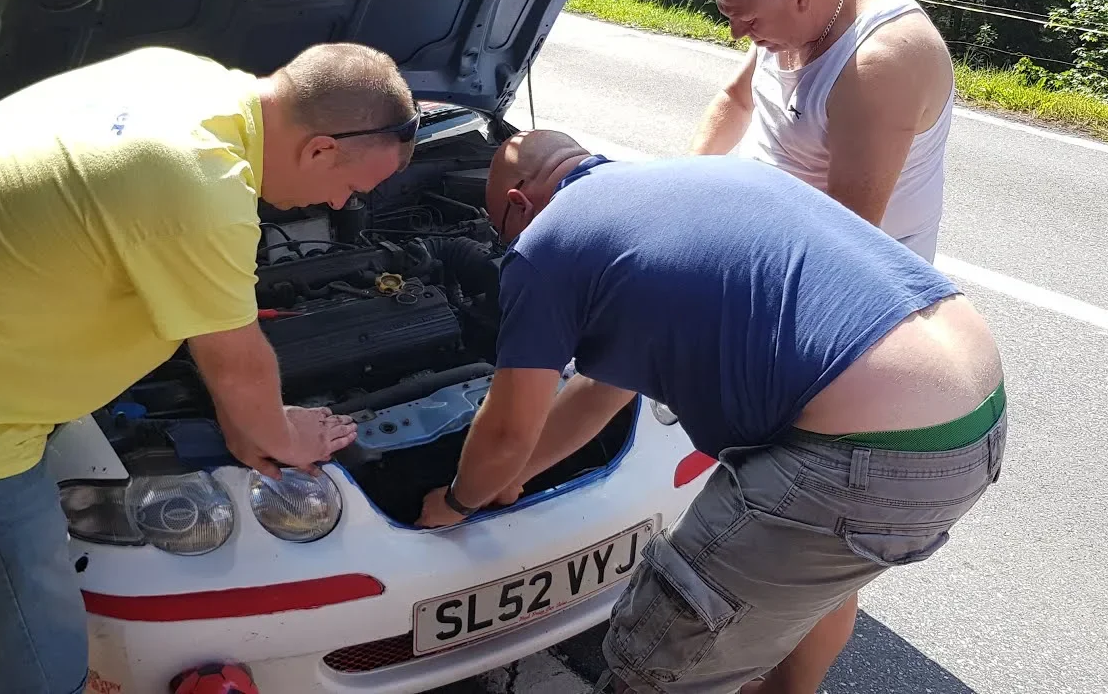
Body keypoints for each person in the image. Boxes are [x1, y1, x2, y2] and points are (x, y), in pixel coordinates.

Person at [0, 42, 421, 694]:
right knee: (44, 660)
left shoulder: (184, 75)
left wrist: (250, 425)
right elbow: (239, 377)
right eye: (352, 187)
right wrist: (285, 434)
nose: (346, 206)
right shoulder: (202, 183)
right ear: (319, 149)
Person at [416, 130, 1007, 694]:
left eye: (503, 234)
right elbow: (600, 391)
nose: (509, 249)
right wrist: (513, 476)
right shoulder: (690, 182)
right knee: (815, 584)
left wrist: (456, 500)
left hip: (866, 451)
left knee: (658, 662)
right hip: (973, 409)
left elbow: (505, 432)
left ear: (519, 204)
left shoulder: (547, 242)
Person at [687, 0, 956, 263]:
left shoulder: (879, 64)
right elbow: (737, 100)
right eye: (728, 15)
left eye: (748, 19)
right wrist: (686, 185)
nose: (737, 33)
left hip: (855, 277)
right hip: (769, 233)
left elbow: (847, 234)